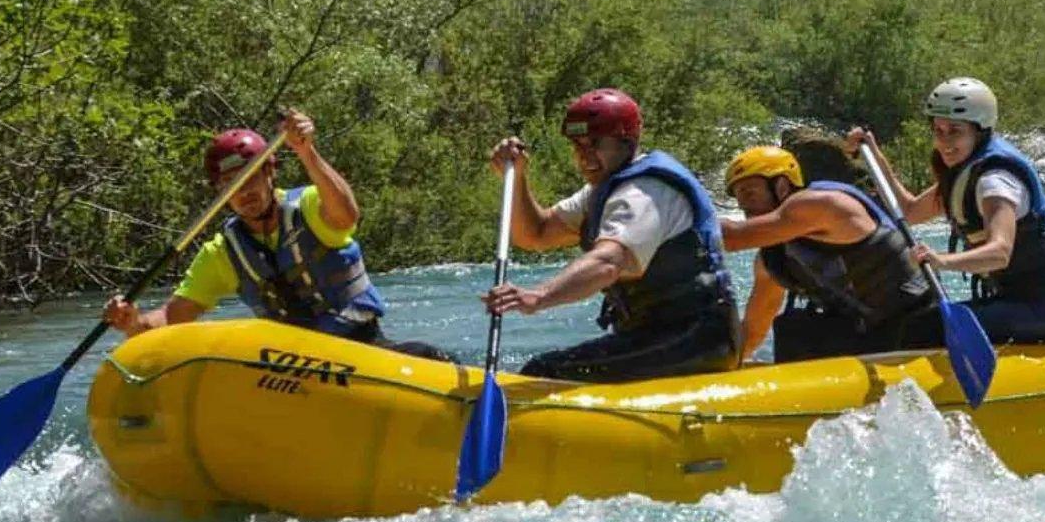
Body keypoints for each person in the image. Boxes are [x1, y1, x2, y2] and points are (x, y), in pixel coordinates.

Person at [105, 111, 441, 357]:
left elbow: (346, 215)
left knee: (429, 356)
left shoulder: (309, 206)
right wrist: (133, 323)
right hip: (290, 364)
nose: (243, 192)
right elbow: (173, 318)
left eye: (250, 177)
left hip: (361, 346)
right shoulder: (222, 252)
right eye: (230, 185)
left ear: (270, 172)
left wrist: (306, 151)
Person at [481, 88, 739, 382]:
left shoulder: (644, 192)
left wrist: (539, 296)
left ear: (626, 142)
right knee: (553, 367)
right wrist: (516, 179)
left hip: (695, 338)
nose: (584, 155)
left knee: (545, 371)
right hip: (653, 335)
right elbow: (536, 234)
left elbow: (609, 262)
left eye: (595, 143)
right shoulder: (599, 193)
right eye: (577, 145)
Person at [849, 77, 1045, 345]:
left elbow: (1000, 253)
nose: (944, 141)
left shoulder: (995, 181)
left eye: (955, 131)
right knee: (913, 322)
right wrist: (875, 157)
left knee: (923, 329)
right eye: (938, 130)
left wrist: (942, 261)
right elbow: (910, 210)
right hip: (1015, 300)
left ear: (979, 131)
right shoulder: (965, 172)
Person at [720, 145, 939, 364]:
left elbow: (731, 238)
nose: (744, 206)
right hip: (868, 337)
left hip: (917, 329)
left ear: (782, 186)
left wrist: (686, 213)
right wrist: (726, 366)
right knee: (794, 328)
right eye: (739, 198)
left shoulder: (821, 205)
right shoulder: (771, 260)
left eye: (750, 193)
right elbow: (754, 329)